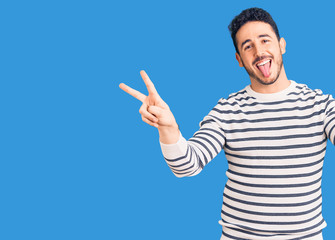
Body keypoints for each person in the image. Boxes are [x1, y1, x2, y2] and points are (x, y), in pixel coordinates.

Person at [119, 7, 335, 240]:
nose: (259, 51)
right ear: (239, 59)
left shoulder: (320, 105)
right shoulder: (227, 110)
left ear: (281, 45)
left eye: (265, 40)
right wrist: (168, 128)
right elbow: (186, 166)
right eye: (248, 46)